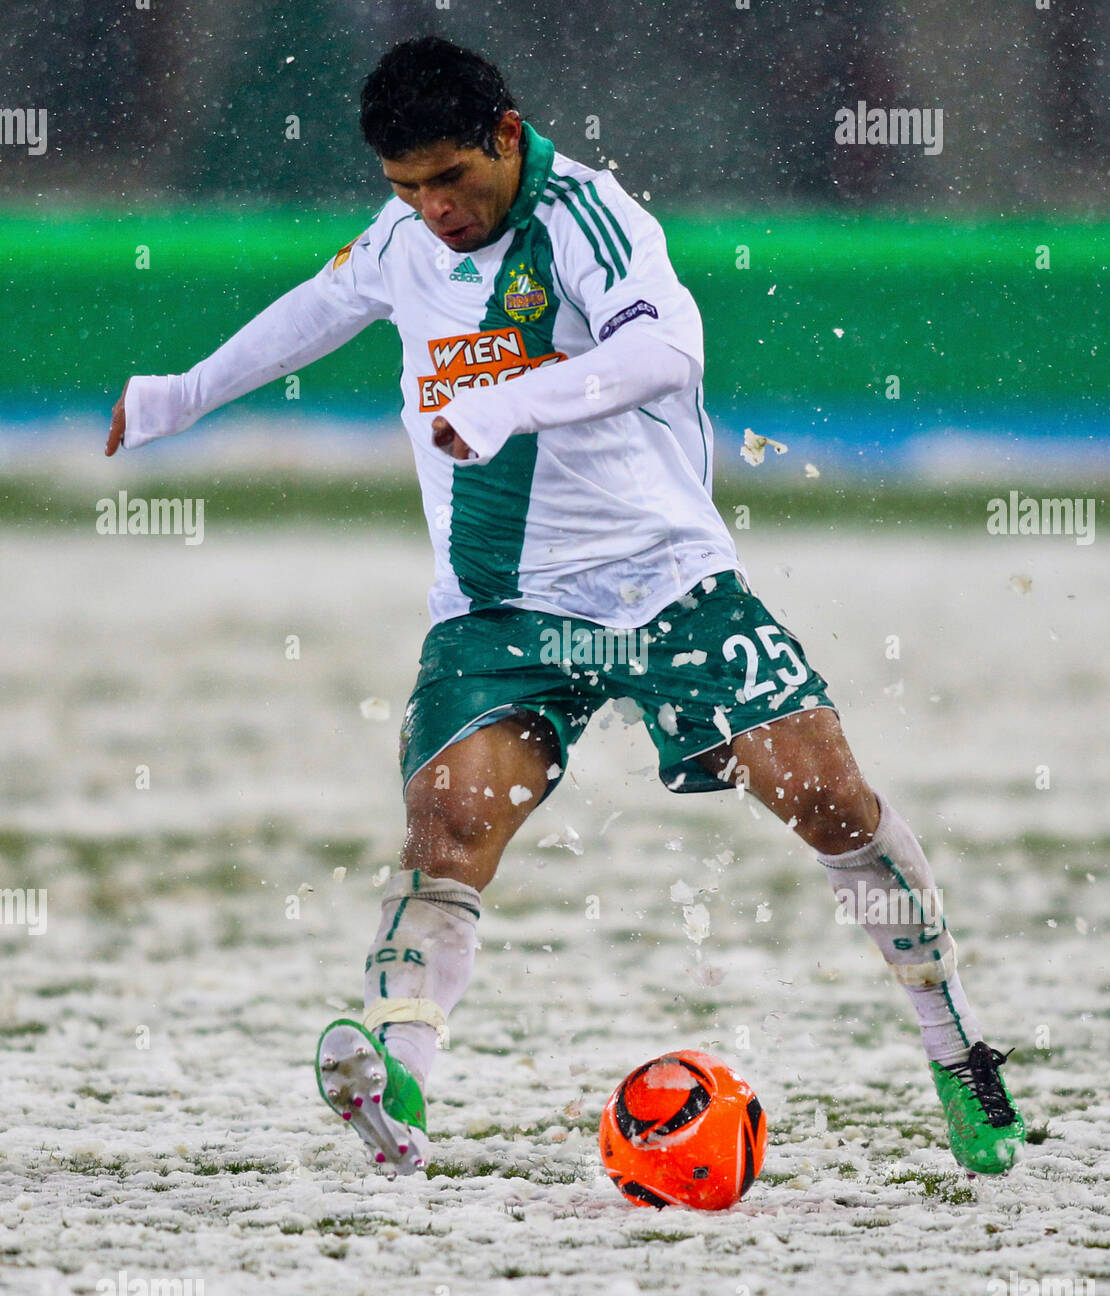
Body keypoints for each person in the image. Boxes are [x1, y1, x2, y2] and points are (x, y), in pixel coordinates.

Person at [106, 35, 1026, 1180]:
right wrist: (180, 396)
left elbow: (667, 352)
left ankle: (958, 1056)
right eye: (406, 189)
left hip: (663, 582)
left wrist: (512, 405)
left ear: (504, 134)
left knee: (831, 801)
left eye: (451, 179)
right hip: (498, 605)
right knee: (448, 827)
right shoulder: (405, 239)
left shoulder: (590, 219)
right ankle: (396, 1080)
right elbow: (318, 307)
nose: (433, 211)